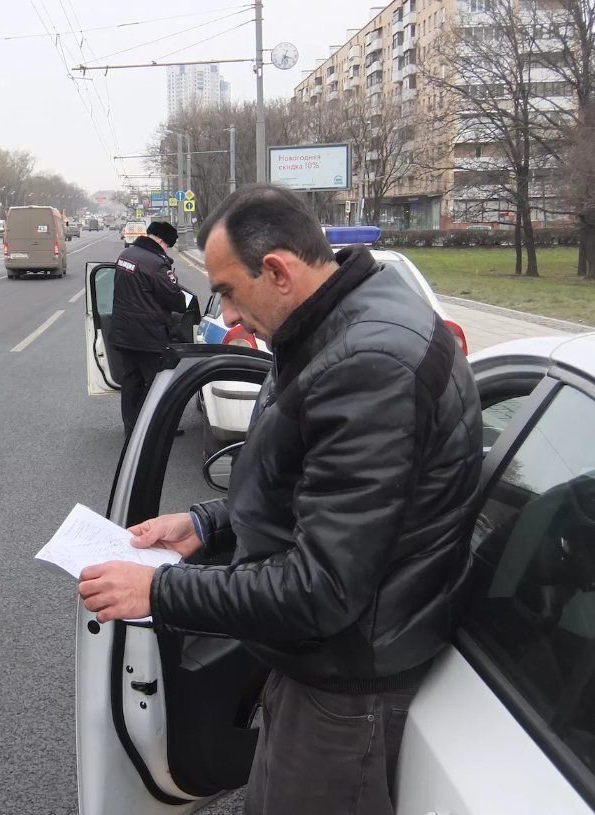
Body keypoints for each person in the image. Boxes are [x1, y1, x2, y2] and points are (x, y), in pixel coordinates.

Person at [78, 185, 482, 815]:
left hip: (345, 693)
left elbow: (320, 589)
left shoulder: (367, 362)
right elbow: (313, 487)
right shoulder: (337, 325)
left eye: (230, 291)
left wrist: (156, 591)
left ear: (278, 271)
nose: (230, 316)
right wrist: (207, 525)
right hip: (331, 664)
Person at [110, 220, 187, 436]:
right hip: (148, 335)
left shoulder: (127, 255)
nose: (167, 250)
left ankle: (132, 429)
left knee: (131, 381)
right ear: (162, 241)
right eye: (168, 246)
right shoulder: (155, 264)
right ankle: (157, 430)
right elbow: (176, 301)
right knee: (157, 384)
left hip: (123, 332)